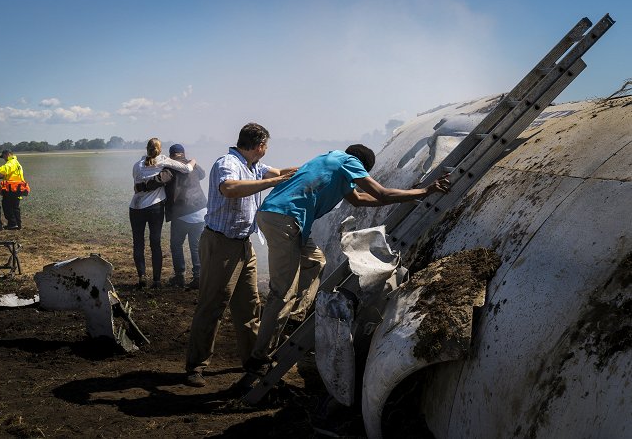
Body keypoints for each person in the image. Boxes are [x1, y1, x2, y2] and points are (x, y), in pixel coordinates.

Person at [244, 144, 450, 374]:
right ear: (360, 165)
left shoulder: (329, 161)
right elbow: (379, 193)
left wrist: (405, 196)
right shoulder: (348, 162)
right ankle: (259, 356)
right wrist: (425, 191)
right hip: (286, 219)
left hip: (281, 217)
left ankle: (295, 316)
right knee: (282, 292)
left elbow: (359, 199)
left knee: (316, 261)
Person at [185, 122, 297, 387]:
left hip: (243, 245)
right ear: (259, 146)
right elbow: (230, 188)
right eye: (266, 146)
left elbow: (281, 172)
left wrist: (309, 169)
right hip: (221, 245)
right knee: (212, 305)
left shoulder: (253, 166)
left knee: (249, 306)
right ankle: (196, 366)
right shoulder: (228, 163)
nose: (266, 151)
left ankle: (253, 362)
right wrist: (273, 181)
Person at [135, 143, 207, 290]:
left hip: (182, 212)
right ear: (183, 153)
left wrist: (140, 187)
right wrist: (193, 162)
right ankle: (198, 277)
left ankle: (180, 276)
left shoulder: (171, 168)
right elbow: (203, 174)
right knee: (195, 246)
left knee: (176, 245)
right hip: (201, 210)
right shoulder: (193, 165)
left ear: (171, 155)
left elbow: (159, 181)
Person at [0, 150, 27, 230]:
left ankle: (12, 224)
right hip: (17, 188)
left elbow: (4, 169)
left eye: (4, 157)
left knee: (7, 206)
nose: (4, 159)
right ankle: (18, 224)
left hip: (11, 188)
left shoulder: (11, 162)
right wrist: (1, 176)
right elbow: (10, 174)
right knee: (15, 207)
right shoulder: (16, 163)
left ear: (7, 155)